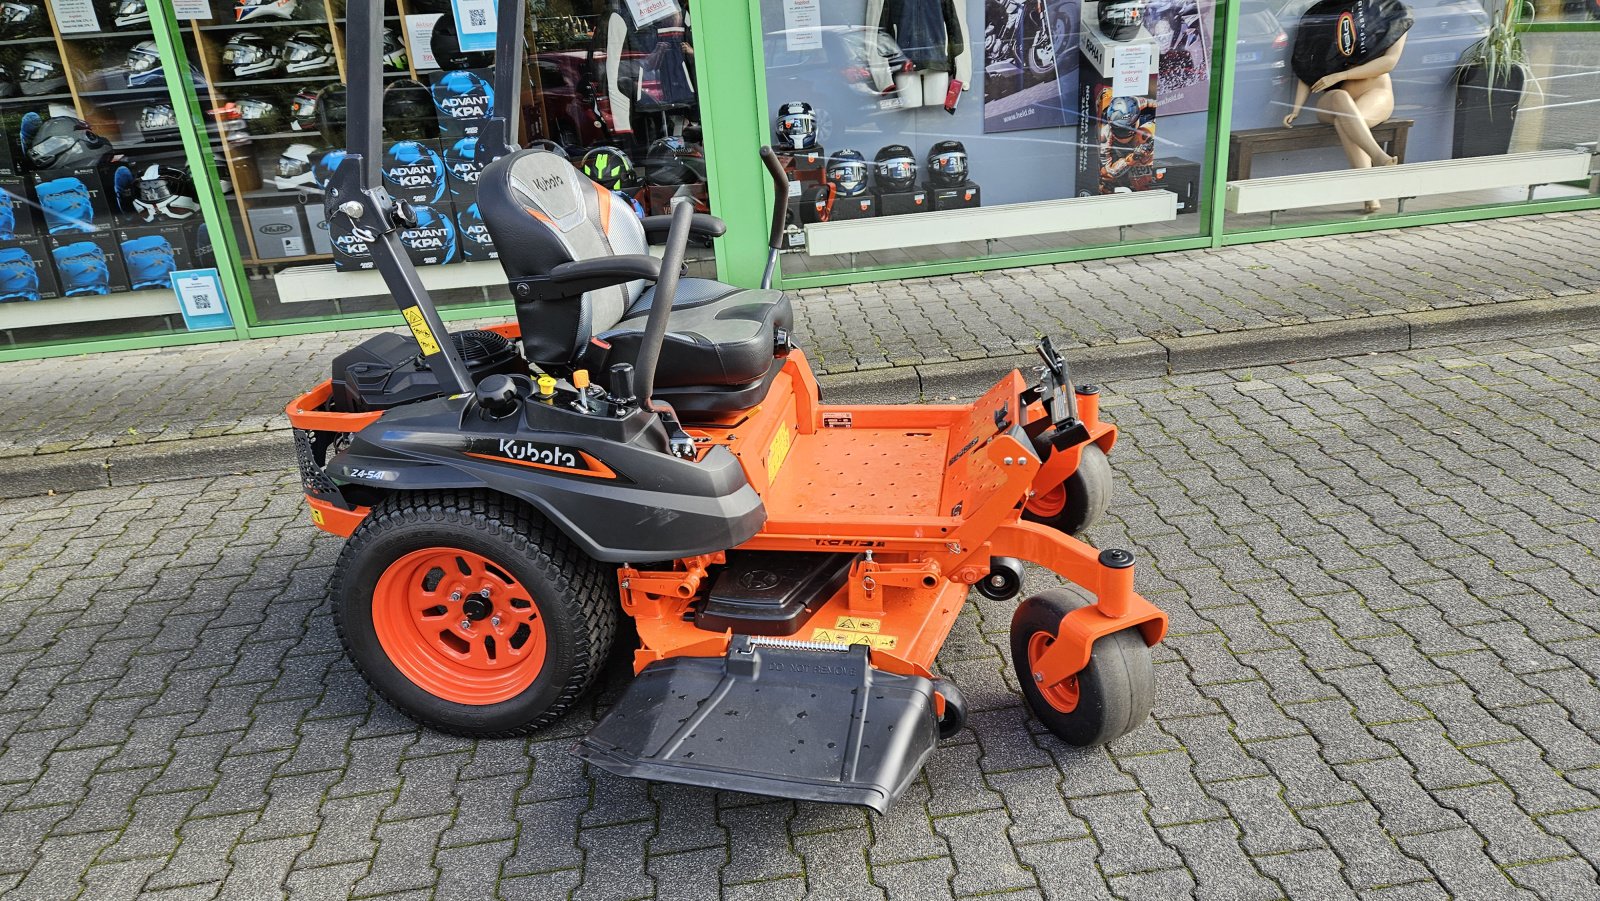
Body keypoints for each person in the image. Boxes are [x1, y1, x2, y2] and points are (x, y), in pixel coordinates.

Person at [1281, 0, 1413, 212]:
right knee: (1341, 101)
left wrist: (1341, 75)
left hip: (1376, 91)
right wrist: (1296, 109)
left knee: (1347, 122)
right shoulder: (1322, 13)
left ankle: (1369, 196)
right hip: (1334, 98)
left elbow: (1389, 62)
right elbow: (1306, 66)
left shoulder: (1390, 9)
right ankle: (1378, 157)